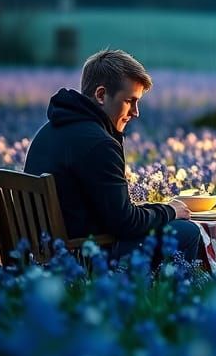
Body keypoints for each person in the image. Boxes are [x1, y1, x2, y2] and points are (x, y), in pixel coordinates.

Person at [24, 48, 202, 266]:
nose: (136, 112)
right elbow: (125, 223)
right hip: (85, 258)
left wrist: (152, 211)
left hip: (51, 253)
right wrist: (169, 210)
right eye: (130, 101)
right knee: (186, 231)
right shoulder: (99, 143)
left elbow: (113, 212)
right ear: (101, 95)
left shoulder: (49, 131)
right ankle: (158, 299)